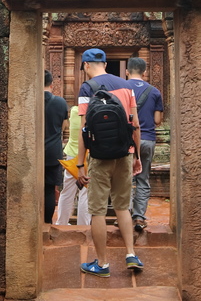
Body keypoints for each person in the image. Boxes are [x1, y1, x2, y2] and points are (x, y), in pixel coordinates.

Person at [76, 48, 144, 277]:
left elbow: (84, 130)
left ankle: (102, 264)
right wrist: (137, 156)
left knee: (97, 211)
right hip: (125, 153)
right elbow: (135, 125)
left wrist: (80, 164)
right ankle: (131, 254)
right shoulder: (127, 85)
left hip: (99, 157)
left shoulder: (87, 87)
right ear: (105, 63)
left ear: (86, 65)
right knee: (123, 206)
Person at [125, 57, 164, 232]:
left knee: (124, 179)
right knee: (142, 178)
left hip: (126, 141)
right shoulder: (154, 92)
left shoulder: (121, 89)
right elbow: (157, 119)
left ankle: (124, 215)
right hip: (147, 138)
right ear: (145, 72)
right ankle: (139, 217)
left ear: (127, 71)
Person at [55, 104, 91, 226]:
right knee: (85, 193)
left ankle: (61, 222)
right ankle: (83, 225)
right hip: (87, 155)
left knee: (67, 191)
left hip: (72, 155)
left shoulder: (75, 111)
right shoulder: (93, 111)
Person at [43, 70, 69, 224]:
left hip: (33, 152)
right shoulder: (60, 102)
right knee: (49, 189)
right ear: (52, 84)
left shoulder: (31, 100)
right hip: (53, 151)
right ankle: (47, 223)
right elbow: (64, 126)